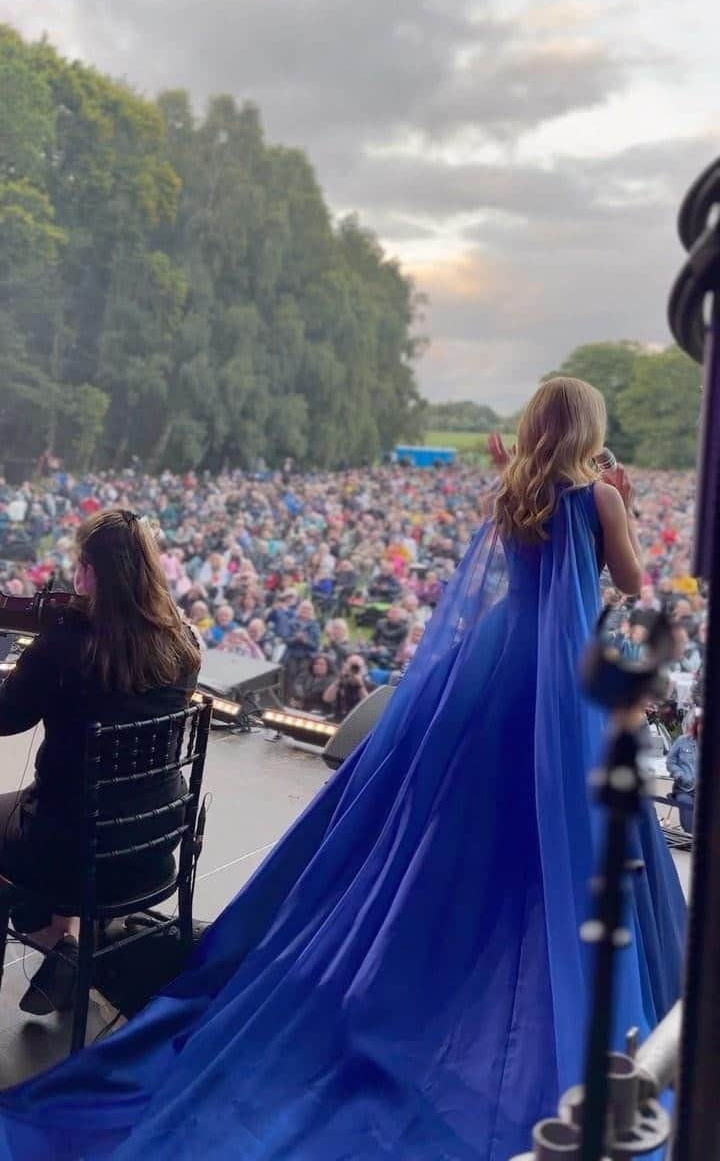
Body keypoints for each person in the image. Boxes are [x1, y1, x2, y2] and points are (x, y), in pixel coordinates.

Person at [0, 380, 685, 1161]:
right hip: (563, 680)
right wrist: (617, 507)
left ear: (534, 426)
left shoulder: (512, 494)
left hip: (494, 668)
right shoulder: (600, 498)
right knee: (564, 826)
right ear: (592, 429)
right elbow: (627, 587)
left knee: (462, 820)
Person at [0, 509, 201, 1018]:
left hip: (76, 854)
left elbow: (5, 718)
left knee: (41, 821)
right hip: (151, 845)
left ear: (89, 571)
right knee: (69, 812)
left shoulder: (65, 649)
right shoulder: (183, 645)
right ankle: (58, 945)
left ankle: (53, 941)